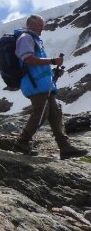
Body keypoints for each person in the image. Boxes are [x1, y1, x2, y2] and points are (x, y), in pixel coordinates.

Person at [14, 14, 87, 159]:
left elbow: (39, 66)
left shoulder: (34, 40)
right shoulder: (25, 38)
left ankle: (65, 148)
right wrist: (53, 61)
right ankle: (22, 142)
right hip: (34, 85)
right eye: (40, 25)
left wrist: (55, 72)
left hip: (43, 84)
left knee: (55, 113)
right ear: (31, 25)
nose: (43, 27)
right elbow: (27, 59)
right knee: (42, 112)